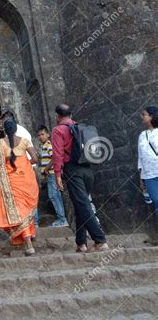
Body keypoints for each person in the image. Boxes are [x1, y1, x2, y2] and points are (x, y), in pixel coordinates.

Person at [52, 104, 108, 253]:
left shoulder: (58, 130)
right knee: (80, 204)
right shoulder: (81, 127)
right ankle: (81, 242)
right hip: (87, 168)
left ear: (57, 116)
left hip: (72, 170)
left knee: (82, 204)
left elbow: (57, 155)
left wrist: (57, 174)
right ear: (71, 115)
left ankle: (100, 240)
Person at [0, 118, 39, 255]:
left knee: (19, 210)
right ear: (16, 129)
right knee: (25, 210)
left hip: (11, 181)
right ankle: (28, 241)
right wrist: (25, 163)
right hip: (26, 179)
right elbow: (35, 158)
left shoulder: (0, 143)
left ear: (5, 131)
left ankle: (28, 240)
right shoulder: (25, 141)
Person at [36, 125, 68, 227]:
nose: (41, 137)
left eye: (43, 134)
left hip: (52, 174)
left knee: (54, 196)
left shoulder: (49, 145)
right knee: (54, 196)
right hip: (50, 175)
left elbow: (54, 158)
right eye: (39, 135)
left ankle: (62, 219)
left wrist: (46, 169)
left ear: (48, 134)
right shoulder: (44, 146)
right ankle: (62, 219)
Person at [138, 106, 158, 214]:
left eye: (143, 114)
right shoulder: (142, 136)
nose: (141, 116)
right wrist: (141, 177)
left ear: (151, 116)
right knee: (156, 201)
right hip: (149, 175)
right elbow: (140, 158)